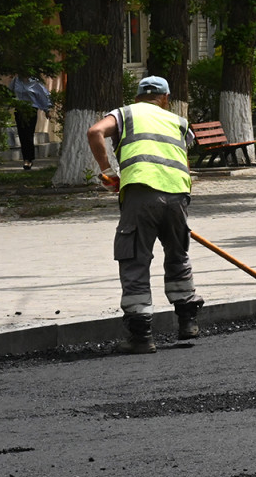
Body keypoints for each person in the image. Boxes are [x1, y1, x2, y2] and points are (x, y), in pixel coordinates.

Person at [87, 76, 202, 355]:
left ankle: (141, 336)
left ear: (138, 97)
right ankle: (187, 322)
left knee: (135, 260)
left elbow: (94, 132)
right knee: (178, 255)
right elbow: (183, 158)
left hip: (141, 193)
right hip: (177, 195)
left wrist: (107, 172)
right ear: (165, 98)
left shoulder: (125, 113)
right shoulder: (178, 121)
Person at [9, 74, 51, 171]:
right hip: (19, 110)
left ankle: (29, 159)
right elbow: (9, 92)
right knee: (22, 135)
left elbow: (43, 95)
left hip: (31, 110)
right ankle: (25, 159)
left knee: (28, 134)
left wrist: (47, 110)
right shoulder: (16, 80)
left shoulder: (35, 81)